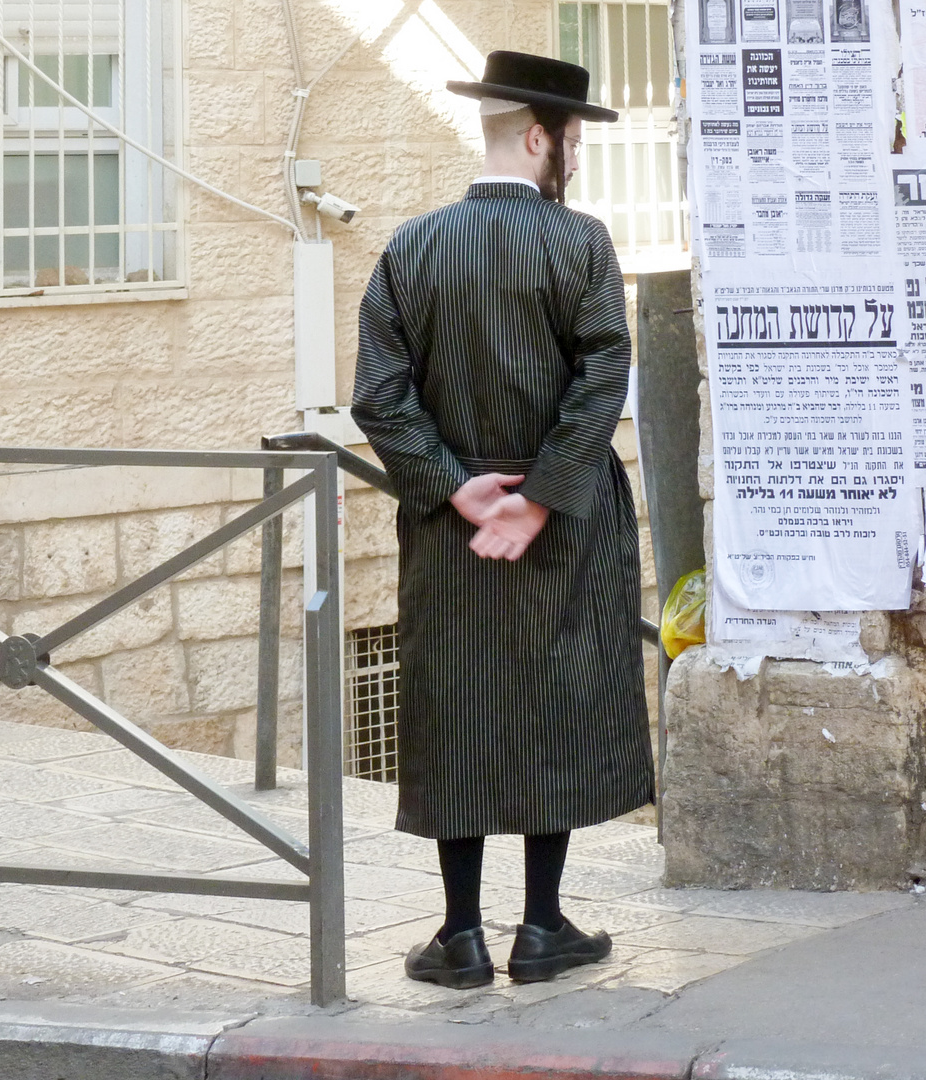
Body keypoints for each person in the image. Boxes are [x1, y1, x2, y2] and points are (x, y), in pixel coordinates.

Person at [351, 52, 654, 989]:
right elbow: (604, 375)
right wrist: (540, 498)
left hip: (454, 525)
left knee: (460, 707)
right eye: (573, 140)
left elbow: (379, 396)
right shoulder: (582, 245)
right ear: (539, 137)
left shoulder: (412, 246)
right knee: (555, 702)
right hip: (566, 518)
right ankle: (542, 927)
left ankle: (460, 936)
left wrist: (456, 486)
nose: (577, 159)